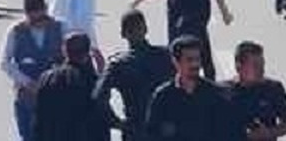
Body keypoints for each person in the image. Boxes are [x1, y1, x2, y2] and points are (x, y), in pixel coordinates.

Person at [93, 8, 173, 141]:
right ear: (146, 29)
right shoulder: (166, 56)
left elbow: (98, 97)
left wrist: (117, 123)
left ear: (123, 34)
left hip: (135, 128)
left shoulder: (117, 64)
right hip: (163, 128)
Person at [0, 0, 65, 141]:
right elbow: (4, 62)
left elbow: (70, 57)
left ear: (46, 9)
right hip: (26, 95)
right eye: (33, 17)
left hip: (55, 95)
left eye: (41, 16)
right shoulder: (15, 31)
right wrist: (27, 83)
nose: (38, 21)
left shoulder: (61, 27)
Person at [144, 35, 230, 141]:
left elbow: (225, 132)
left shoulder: (215, 94)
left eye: (197, 59)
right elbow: (151, 135)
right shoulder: (162, 97)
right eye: (189, 60)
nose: (195, 64)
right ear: (176, 62)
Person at [30, 32, 108, 141]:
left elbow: (38, 120)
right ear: (87, 52)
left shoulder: (46, 78)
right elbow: (101, 117)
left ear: (64, 51)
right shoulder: (90, 81)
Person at [223, 41, 286, 140]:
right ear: (239, 66)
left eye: (262, 64)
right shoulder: (224, 91)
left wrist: (270, 133)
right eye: (255, 65)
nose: (261, 69)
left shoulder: (273, 89)